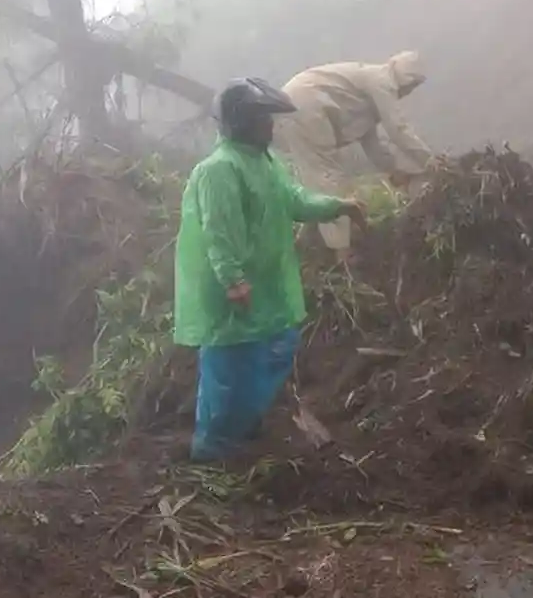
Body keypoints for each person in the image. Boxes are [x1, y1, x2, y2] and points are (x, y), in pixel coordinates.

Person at [173, 77, 367, 462]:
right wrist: (233, 280)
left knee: (276, 348)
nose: (271, 126)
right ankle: (213, 452)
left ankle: (245, 429)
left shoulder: (266, 162)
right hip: (232, 291)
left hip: (266, 285)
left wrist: (336, 206)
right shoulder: (220, 169)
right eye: (263, 118)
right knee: (230, 370)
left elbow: (294, 200)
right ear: (241, 122)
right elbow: (219, 230)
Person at [276, 52, 436, 250]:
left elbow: (371, 143)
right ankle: (340, 250)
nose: (410, 91)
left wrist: (393, 170)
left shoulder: (369, 88)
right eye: (412, 85)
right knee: (327, 178)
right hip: (307, 105)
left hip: (298, 103)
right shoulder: (383, 82)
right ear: (406, 78)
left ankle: (311, 239)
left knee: (316, 177)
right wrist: (431, 161)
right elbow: (398, 129)